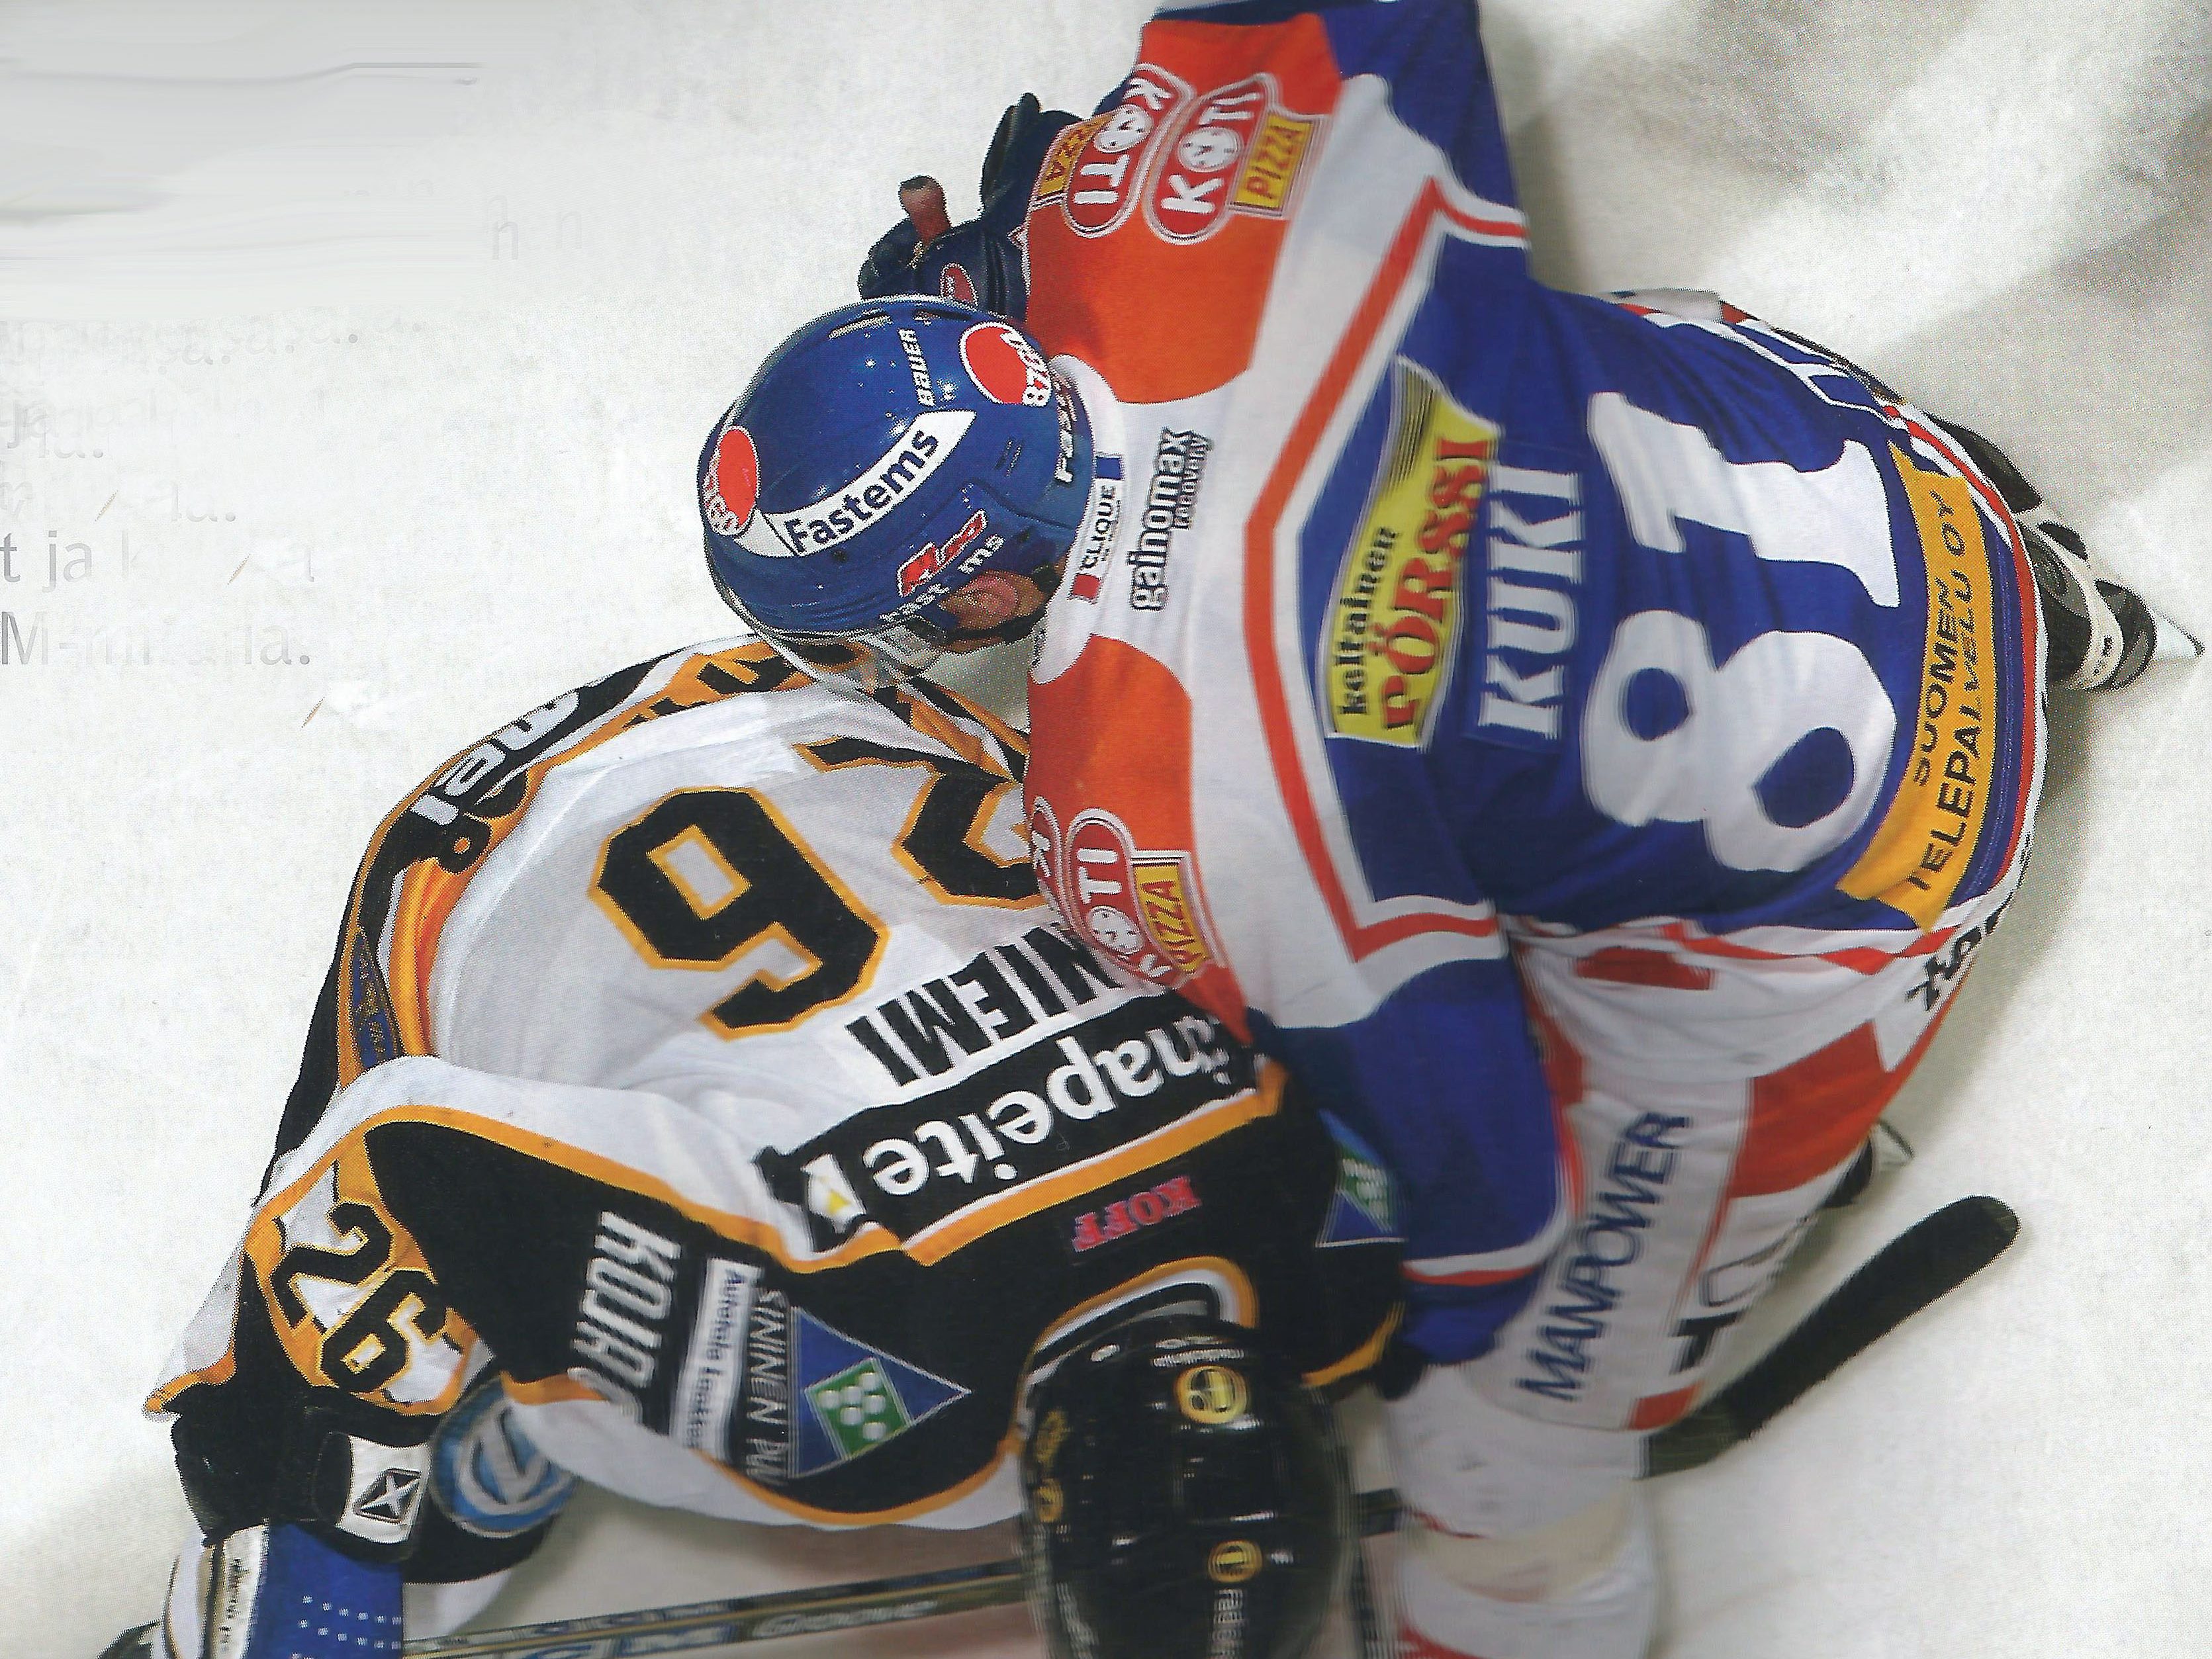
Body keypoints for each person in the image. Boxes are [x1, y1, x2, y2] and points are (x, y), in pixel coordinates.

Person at [695, 3, 2200, 1655]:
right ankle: (2039, 593)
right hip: (1877, 477)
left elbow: (1479, 1190)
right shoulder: (1137, 192)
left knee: (1514, 1437)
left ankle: (1738, 1225)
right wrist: (1063, 216)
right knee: (1518, 347)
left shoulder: (1132, 801)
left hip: (1890, 862)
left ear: (980, 589)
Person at [104, 635, 1399, 1659]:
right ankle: (505, 1434)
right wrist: (307, 1542)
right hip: (492, 843)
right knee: (418, 1536)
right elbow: (394, 1159)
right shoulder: (862, 1397)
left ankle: (539, 1389)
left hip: (832, 692)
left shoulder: (1351, 1245)